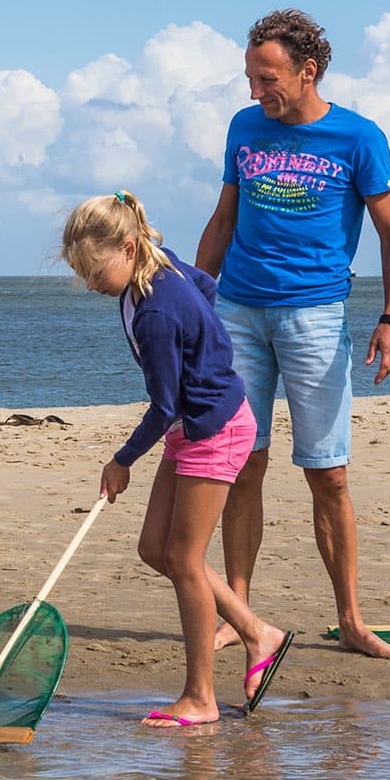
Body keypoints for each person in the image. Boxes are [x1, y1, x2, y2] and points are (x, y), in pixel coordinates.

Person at [194, 8, 390, 662]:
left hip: (315, 317)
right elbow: (224, 217)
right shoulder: (244, 128)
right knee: (242, 466)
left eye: (266, 78)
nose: (256, 91)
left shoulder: (357, 137)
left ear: (307, 70)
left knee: (329, 476)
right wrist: (194, 301)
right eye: (251, 78)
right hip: (237, 313)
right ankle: (237, 610)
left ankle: (350, 620)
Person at [65, 191, 296, 724]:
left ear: (127, 247)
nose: (91, 284)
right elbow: (208, 286)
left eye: (96, 271)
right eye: (83, 274)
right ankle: (259, 633)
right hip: (191, 425)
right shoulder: (158, 267)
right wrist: (205, 345)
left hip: (213, 428)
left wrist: (121, 460)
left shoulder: (156, 311)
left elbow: (162, 403)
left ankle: (201, 698)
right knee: (156, 548)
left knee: (185, 560)